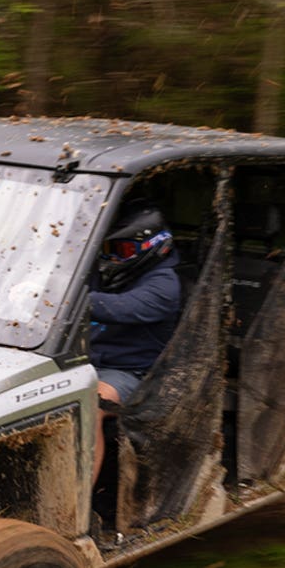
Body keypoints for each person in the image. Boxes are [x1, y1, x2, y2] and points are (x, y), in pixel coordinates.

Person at [89, 201, 182, 482]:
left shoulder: (164, 286)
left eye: (124, 251)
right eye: (108, 249)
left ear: (153, 246)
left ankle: (76, 501)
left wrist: (62, 300)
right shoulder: (108, 273)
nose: (114, 258)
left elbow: (120, 308)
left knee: (89, 408)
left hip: (132, 373)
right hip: (86, 362)